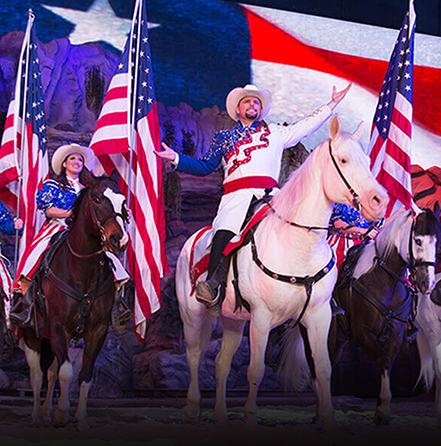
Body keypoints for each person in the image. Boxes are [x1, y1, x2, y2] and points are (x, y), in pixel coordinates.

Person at [156, 82, 352, 315]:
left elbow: (306, 126)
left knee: (303, 227)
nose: (253, 104)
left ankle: (318, 292)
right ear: (238, 109)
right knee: (225, 230)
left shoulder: (276, 132)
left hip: (272, 197)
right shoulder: (223, 138)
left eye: (256, 102)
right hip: (236, 197)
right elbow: (204, 166)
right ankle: (213, 286)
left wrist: (332, 104)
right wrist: (176, 158)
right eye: (247, 101)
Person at [11, 143, 130, 328]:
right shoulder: (53, 185)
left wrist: (119, 211)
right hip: (58, 227)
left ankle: (115, 303)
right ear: (64, 164)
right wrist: (71, 213)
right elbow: (49, 210)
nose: (77, 162)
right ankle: (26, 302)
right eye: (72, 158)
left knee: (109, 259)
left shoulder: (88, 190)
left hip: (83, 232)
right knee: (35, 253)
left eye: (80, 159)